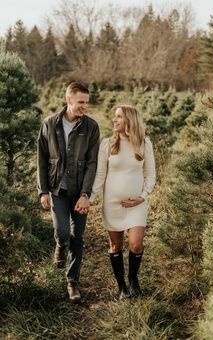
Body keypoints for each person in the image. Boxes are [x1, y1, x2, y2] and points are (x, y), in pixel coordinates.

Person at [37, 82, 100, 304]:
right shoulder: (49, 124)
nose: (85, 106)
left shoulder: (91, 127)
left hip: (79, 191)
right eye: (81, 101)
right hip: (57, 189)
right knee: (63, 233)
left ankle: (72, 282)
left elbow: (92, 163)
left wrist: (86, 194)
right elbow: (42, 159)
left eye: (87, 102)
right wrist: (43, 190)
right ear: (69, 99)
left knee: (78, 237)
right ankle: (59, 245)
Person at [90, 104, 156, 300]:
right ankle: (122, 287)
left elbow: (150, 175)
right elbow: (100, 176)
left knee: (136, 245)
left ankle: (133, 279)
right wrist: (90, 198)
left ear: (129, 120)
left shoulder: (144, 143)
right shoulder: (107, 144)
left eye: (118, 116)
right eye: (114, 116)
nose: (114, 120)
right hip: (113, 205)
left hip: (137, 205)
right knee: (115, 246)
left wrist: (142, 197)